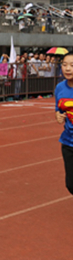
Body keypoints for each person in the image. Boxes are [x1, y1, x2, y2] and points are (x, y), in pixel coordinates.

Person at [54, 52, 73, 196]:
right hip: (68, 142)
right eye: (65, 65)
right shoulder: (60, 88)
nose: (68, 69)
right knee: (71, 184)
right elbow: (58, 109)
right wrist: (59, 116)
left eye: (72, 65)